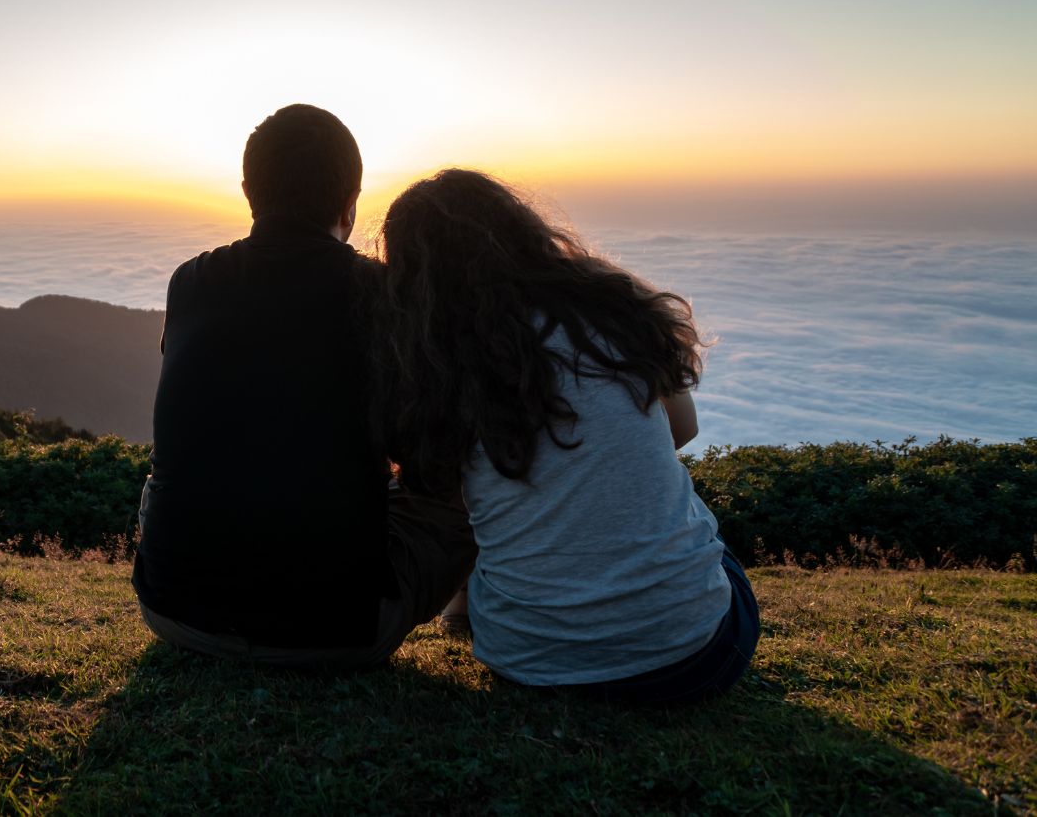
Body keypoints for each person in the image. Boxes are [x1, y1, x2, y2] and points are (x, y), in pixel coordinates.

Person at [374, 168, 759, 703]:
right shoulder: (607, 310)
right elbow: (683, 429)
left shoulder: (434, 367)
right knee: (704, 536)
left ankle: (465, 610)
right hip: (701, 657)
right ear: (520, 231)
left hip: (531, 665)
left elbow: (437, 489)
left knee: (485, 490)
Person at [131, 105, 477, 669]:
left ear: (248, 191)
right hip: (335, 630)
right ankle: (475, 613)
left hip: (174, 610)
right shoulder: (383, 296)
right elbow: (428, 457)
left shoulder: (190, 281)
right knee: (464, 482)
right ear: (352, 201)